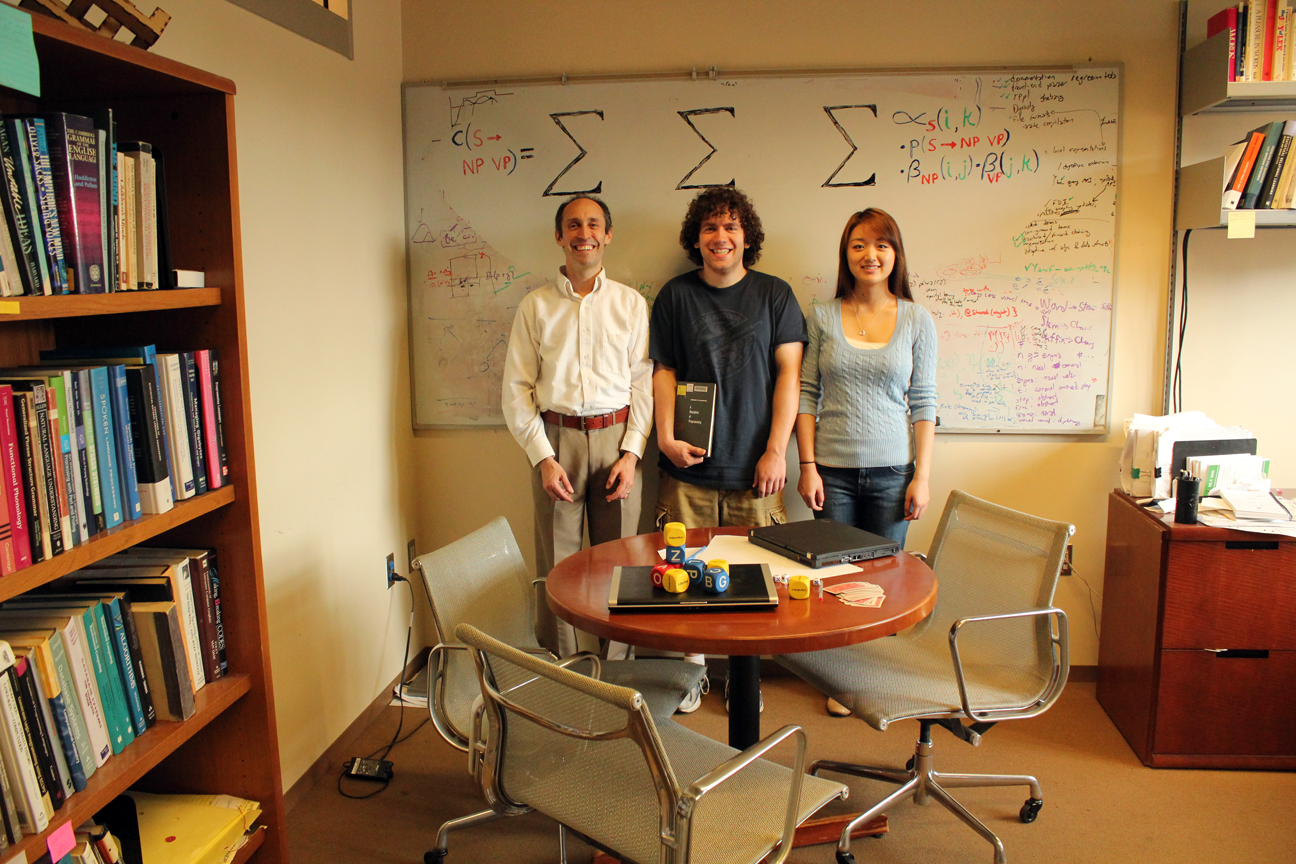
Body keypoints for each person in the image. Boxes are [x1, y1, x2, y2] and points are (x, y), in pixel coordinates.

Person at [650, 186, 807, 711]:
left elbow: (790, 376)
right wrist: (665, 438)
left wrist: (776, 451)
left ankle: (746, 675)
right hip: (687, 468)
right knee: (684, 571)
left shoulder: (775, 295)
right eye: (711, 227)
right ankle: (693, 670)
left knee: (756, 579)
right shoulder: (675, 296)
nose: (721, 237)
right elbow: (664, 371)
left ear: (747, 237)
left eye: (731, 227)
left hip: (756, 468)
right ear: (697, 238)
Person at [795, 208, 937, 715]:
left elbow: (924, 401)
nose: (869, 255)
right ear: (846, 254)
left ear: (895, 254)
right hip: (830, 471)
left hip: (894, 473)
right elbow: (806, 394)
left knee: (883, 581)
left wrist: (922, 476)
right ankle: (841, 677)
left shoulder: (917, 320)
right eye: (858, 245)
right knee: (835, 579)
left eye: (880, 245)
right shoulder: (822, 316)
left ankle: (871, 674)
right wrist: (807, 465)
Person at [502, 195, 651, 659]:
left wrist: (632, 454)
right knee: (558, 569)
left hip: (617, 444)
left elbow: (643, 384)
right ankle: (562, 672)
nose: (583, 233)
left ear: (607, 234)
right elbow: (516, 390)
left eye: (593, 224)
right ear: (559, 236)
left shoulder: (630, 304)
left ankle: (618, 676)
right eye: (572, 225)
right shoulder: (535, 307)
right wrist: (543, 459)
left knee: (621, 569)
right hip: (556, 444)